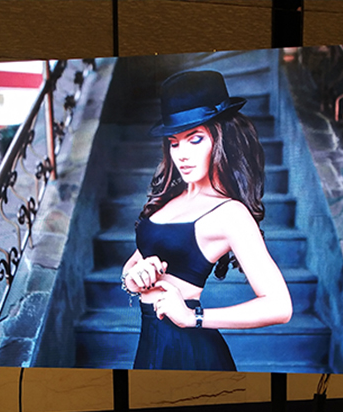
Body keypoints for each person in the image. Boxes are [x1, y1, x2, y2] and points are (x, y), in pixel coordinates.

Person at [121, 70, 292, 370]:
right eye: (174, 142)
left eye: (195, 139)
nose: (182, 155)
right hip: (151, 344)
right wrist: (133, 279)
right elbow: (134, 263)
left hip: (188, 352)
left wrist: (193, 317)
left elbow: (280, 306)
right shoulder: (170, 198)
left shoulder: (229, 213)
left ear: (220, 139)